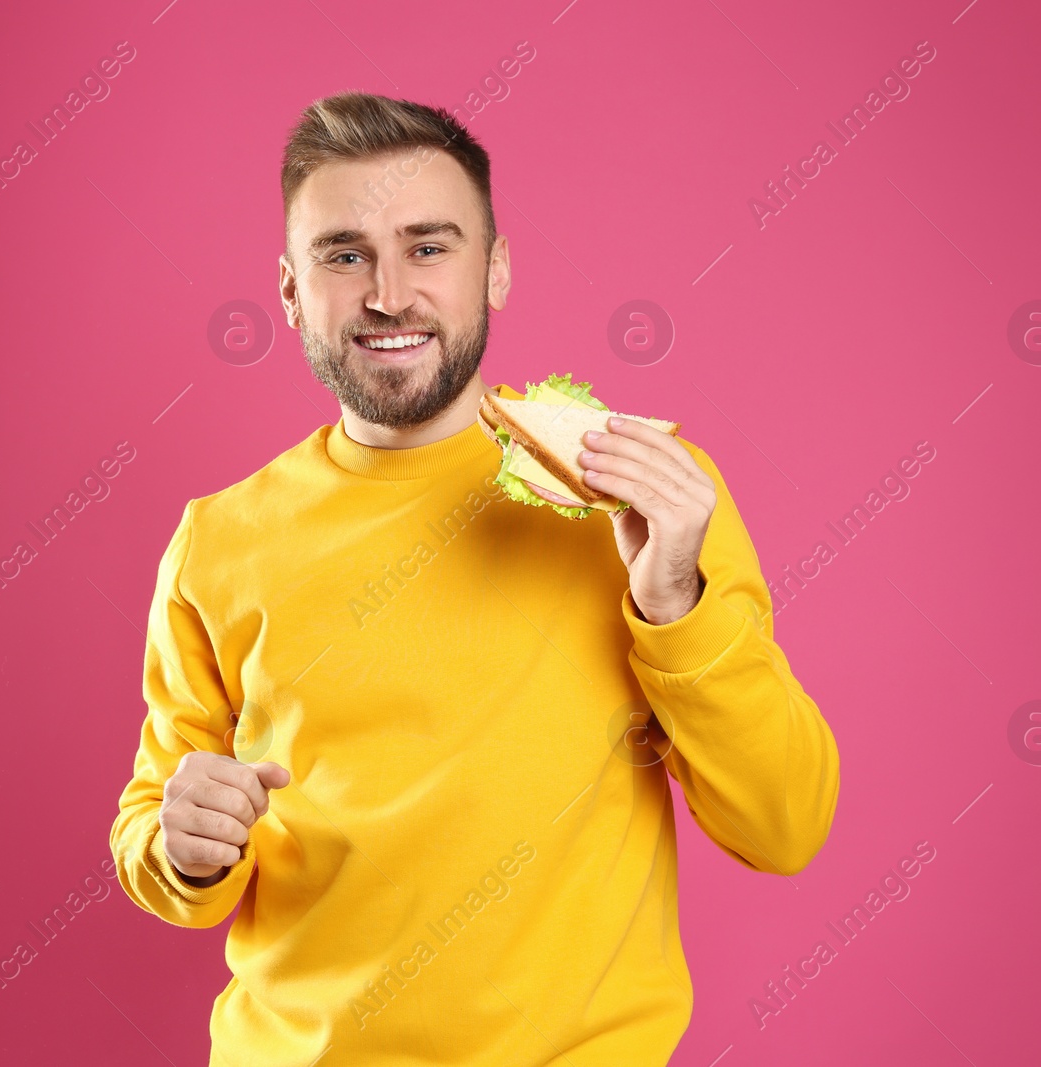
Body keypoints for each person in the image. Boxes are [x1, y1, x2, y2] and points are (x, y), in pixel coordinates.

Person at [109, 90, 840, 1066]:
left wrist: (673, 602)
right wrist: (181, 843)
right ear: (289, 291)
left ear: (494, 269)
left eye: (428, 246)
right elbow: (155, 825)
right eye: (342, 254)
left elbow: (785, 823)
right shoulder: (219, 539)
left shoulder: (636, 495)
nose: (387, 292)